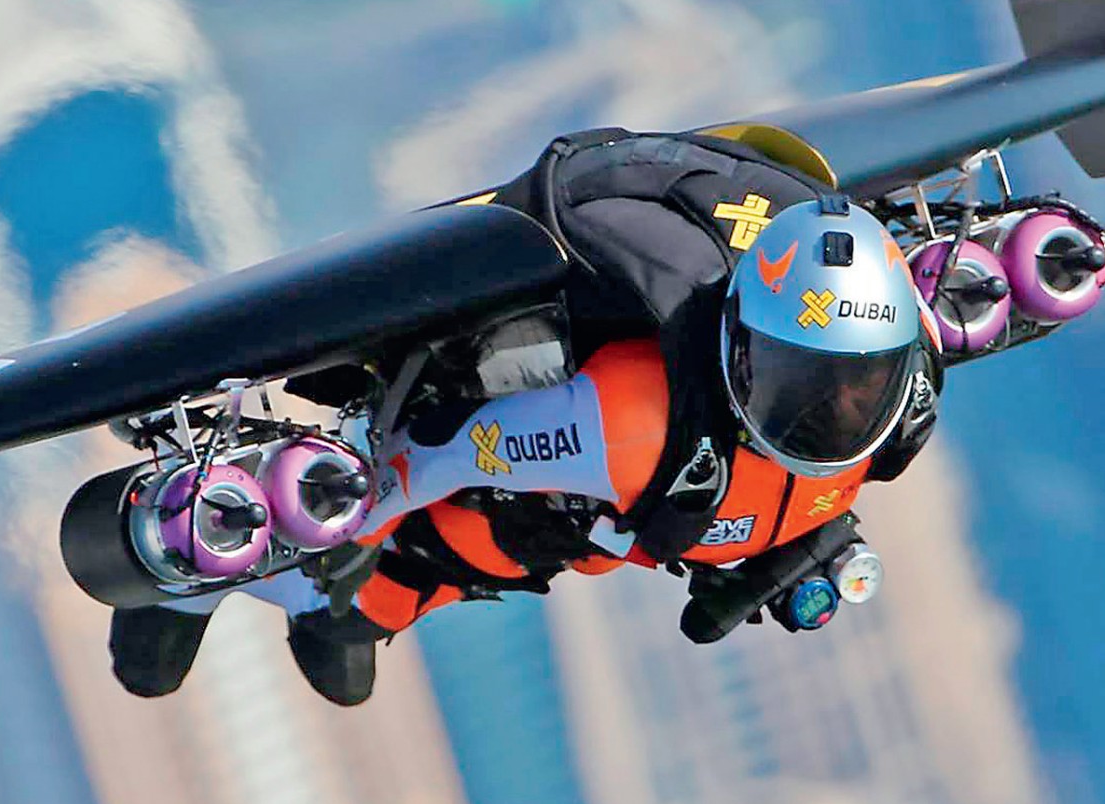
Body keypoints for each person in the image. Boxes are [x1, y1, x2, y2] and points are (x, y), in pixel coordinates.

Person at [108, 130, 944, 705]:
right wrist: (346, 541)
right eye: (801, 378)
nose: (831, 408)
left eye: (860, 382)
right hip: (485, 513)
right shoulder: (629, 422)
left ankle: (332, 605)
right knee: (371, 586)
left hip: (550, 543)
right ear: (740, 344)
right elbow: (435, 449)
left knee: (371, 619)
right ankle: (194, 567)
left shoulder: (903, 406)